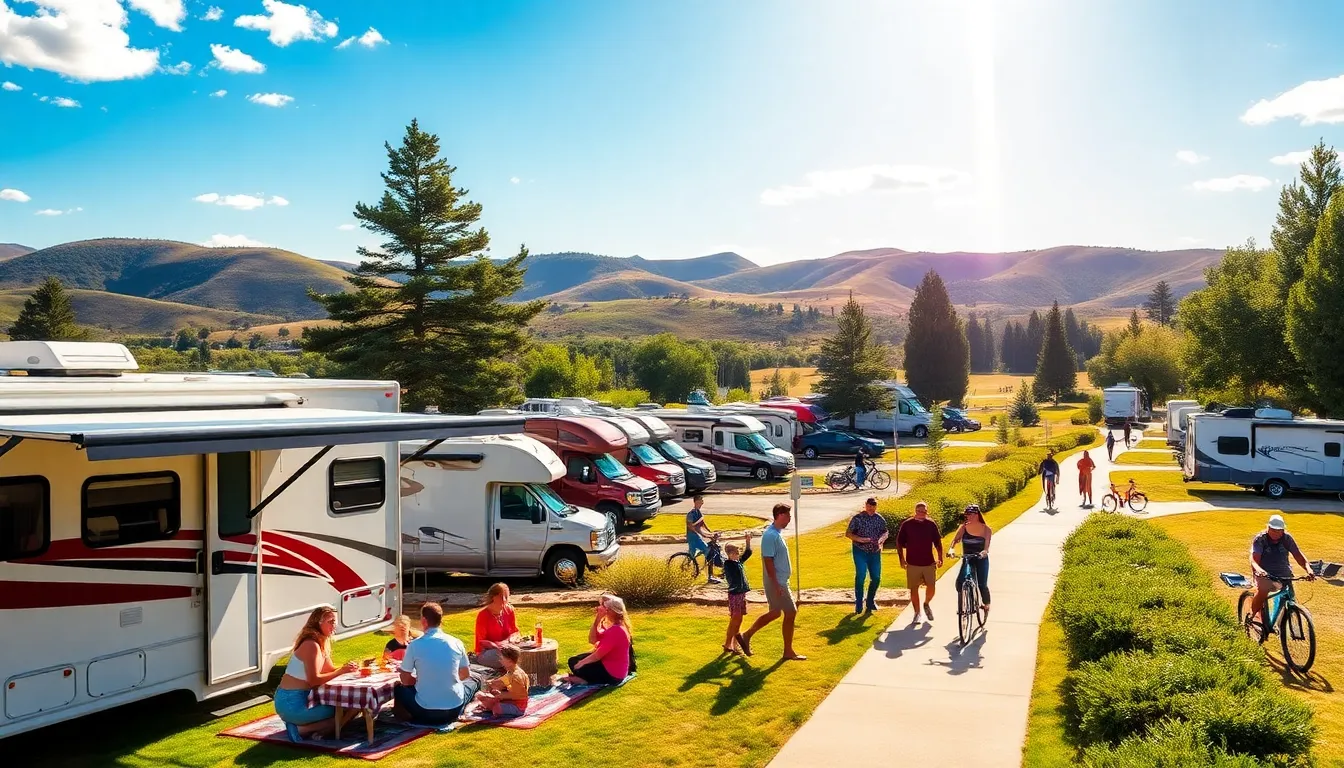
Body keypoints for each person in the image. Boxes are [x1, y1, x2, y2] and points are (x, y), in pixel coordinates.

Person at [274, 606, 361, 742]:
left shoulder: (322, 642)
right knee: (346, 707)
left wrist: (347, 668)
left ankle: (323, 729)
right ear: (318, 623)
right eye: (331, 621)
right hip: (291, 702)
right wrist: (341, 671)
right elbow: (314, 680)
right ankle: (301, 729)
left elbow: (329, 670)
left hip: (305, 697)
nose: (334, 625)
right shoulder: (311, 645)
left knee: (351, 707)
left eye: (335, 621)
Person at [393, 602, 481, 725]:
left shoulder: (415, 645)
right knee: (475, 680)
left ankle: (403, 715)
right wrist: (447, 680)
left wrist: (421, 682)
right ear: (440, 620)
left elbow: (405, 679)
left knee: (398, 688)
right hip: (454, 708)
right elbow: (465, 674)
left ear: (424, 621)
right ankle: (469, 708)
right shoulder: (456, 642)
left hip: (425, 710)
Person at [738, 503, 807, 661]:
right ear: (780, 515)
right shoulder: (770, 536)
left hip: (780, 581)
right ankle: (788, 651)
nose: (790, 518)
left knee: (776, 612)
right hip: (777, 581)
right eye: (788, 515)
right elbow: (768, 561)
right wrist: (776, 585)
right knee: (791, 612)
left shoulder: (776, 533)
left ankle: (745, 636)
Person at [1248, 514, 1315, 632]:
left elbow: (1298, 556)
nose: (1276, 533)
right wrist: (1259, 570)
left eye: (1279, 531)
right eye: (1273, 530)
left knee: (1289, 597)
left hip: (1284, 573)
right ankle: (1252, 616)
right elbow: (1254, 559)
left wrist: (1308, 569)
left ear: (1283, 530)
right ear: (1268, 528)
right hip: (1264, 573)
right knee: (1263, 590)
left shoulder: (1287, 538)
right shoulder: (1260, 539)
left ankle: (1279, 624)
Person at [561, 595, 634, 685]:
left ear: (610, 610)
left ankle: (585, 681)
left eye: (603, 606)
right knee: (574, 660)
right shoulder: (613, 625)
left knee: (576, 664)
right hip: (608, 664)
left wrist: (581, 663)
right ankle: (586, 678)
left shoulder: (616, 630)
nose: (599, 607)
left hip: (613, 674)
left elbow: (598, 655)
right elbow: (592, 639)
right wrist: (599, 617)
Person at [896, 502, 943, 623]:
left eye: (924, 511)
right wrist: (901, 558)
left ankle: (926, 603)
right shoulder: (907, 524)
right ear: (915, 511)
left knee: (931, 587)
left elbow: (937, 542)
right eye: (920, 511)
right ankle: (917, 613)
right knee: (914, 588)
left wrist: (940, 557)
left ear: (927, 512)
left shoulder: (931, 524)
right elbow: (899, 542)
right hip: (912, 563)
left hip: (928, 562)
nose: (922, 513)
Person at [845, 497, 887, 614]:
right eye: (869, 507)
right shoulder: (857, 519)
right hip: (860, 551)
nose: (871, 510)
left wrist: (882, 539)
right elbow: (848, 533)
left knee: (876, 578)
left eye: (873, 508)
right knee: (861, 574)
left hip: (875, 552)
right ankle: (859, 602)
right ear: (866, 505)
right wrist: (860, 539)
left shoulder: (879, 519)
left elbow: (885, 532)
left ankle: (870, 601)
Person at [950, 504, 992, 617]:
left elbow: (987, 547)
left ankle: (986, 605)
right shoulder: (963, 527)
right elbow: (955, 540)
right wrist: (951, 550)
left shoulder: (986, 529)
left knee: (982, 584)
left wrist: (984, 552)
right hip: (968, 558)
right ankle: (967, 599)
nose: (968, 516)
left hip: (980, 559)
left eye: (970, 514)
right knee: (960, 581)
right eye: (966, 514)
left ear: (977, 515)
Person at [474, 582, 522, 670]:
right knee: (504, 656)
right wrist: (497, 645)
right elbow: (482, 642)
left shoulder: (509, 610)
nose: (504, 600)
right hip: (487, 652)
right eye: (502, 597)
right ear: (493, 597)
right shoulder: (483, 615)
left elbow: (515, 632)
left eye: (507, 597)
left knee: (521, 652)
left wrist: (510, 640)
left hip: (507, 648)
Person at [472, 644, 529, 717]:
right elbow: (503, 680)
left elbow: (519, 695)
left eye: (502, 658)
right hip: (511, 702)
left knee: (495, 706)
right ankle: (491, 706)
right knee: (482, 696)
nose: (500, 660)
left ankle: (493, 708)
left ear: (509, 660)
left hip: (518, 707)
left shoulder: (516, 676)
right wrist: (492, 683)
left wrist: (500, 695)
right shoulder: (512, 671)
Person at [722, 532, 754, 654]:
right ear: (729, 554)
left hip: (741, 594)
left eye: (737, 553)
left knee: (738, 620)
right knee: (735, 619)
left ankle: (732, 644)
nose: (737, 555)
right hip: (735, 595)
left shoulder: (737, 562)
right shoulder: (729, 564)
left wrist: (748, 541)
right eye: (735, 553)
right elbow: (732, 577)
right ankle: (730, 644)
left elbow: (748, 553)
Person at [685, 494, 722, 584]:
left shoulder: (698, 512)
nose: (702, 503)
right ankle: (710, 577)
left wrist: (710, 532)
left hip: (697, 536)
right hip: (693, 537)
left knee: (695, 554)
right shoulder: (691, 514)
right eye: (701, 502)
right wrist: (706, 535)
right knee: (708, 552)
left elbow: (702, 524)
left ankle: (689, 564)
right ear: (696, 502)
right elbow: (691, 527)